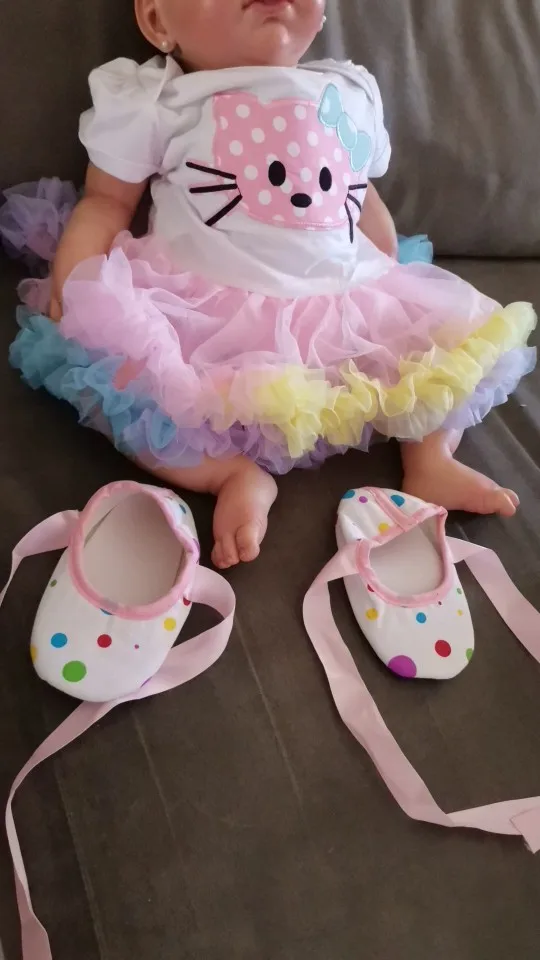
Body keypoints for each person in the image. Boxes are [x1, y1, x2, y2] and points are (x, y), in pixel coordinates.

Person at [4, 0, 536, 569]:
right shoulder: (157, 99)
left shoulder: (347, 89)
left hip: (347, 301)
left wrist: (392, 273)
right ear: (158, 21)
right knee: (128, 392)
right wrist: (78, 282)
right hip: (205, 316)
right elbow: (107, 201)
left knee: (449, 357)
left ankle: (430, 460)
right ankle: (228, 475)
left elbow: (361, 194)